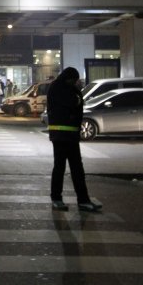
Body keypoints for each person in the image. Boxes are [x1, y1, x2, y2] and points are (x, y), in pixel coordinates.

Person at [46, 67, 102, 212]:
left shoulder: (66, 87)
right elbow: (73, 102)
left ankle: (83, 200)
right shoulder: (58, 88)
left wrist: (77, 97)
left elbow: (78, 102)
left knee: (77, 169)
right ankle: (57, 198)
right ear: (68, 78)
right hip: (60, 136)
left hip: (70, 136)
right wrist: (77, 97)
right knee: (60, 168)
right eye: (74, 80)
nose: (75, 83)